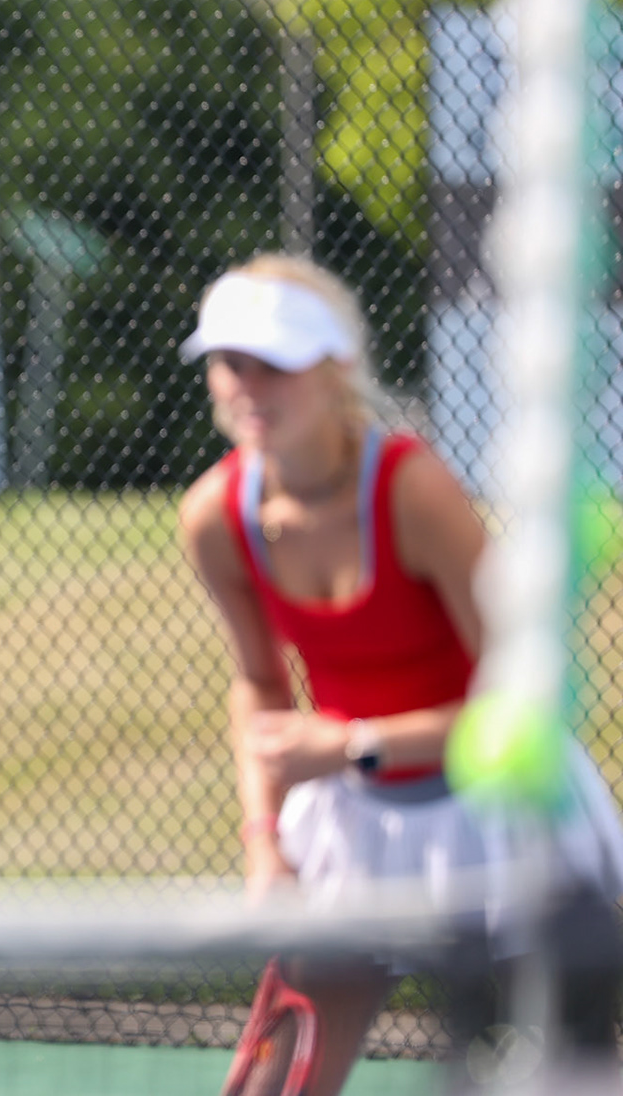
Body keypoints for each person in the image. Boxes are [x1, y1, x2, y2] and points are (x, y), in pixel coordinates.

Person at [176, 254, 623, 1094]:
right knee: (280, 1085)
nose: (249, 385)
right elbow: (258, 689)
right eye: (231, 361)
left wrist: (350, 745)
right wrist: (264, 845)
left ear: (335, 367)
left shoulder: (415, 492)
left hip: (504, 810)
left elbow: (523, 700)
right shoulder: (213, 517)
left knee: (574, 1073)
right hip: (357, 828)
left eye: (276, 361)